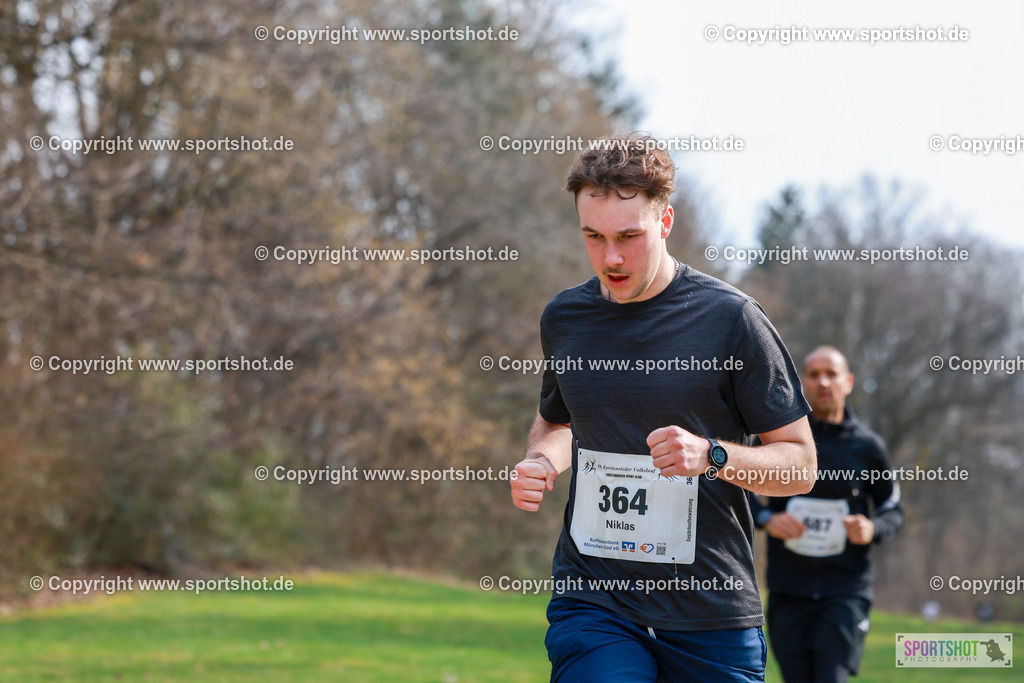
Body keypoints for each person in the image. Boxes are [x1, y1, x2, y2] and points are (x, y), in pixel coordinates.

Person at [510, 131, 817, 682]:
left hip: (709, 610)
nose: (611, 257)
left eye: (629, 236)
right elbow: (558, 423)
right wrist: (540, 461)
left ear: (665, 222)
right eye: (593, 236)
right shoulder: (566, 319)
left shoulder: (732, 320)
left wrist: (714, 456)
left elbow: (800, 466)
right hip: (595, 596)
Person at [748, 346, 904, 683]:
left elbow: (892, 509)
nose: (823, 382)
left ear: (847, 382)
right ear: (802, 383)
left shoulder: (868, 447)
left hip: (845, 591)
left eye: (831, 374)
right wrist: (766, 520)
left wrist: (871, 528)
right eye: (814, 374)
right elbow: (736, 486)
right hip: (788, 591)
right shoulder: (781, 439)